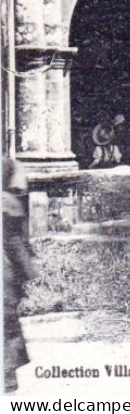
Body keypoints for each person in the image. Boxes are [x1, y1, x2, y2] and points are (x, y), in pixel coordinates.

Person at [3, 158, 37, 392]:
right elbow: (15, 244)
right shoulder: (8, 204)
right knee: (8, 321)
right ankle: (7, 374)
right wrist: (29, 274)